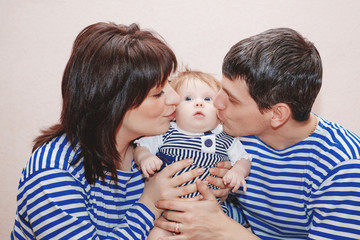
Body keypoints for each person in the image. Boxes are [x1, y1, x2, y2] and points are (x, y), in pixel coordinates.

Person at [10, 22, 229, 240]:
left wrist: (216, 201)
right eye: (157, 93)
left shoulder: (161, 148)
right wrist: (149, 203)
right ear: (113, 103)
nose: (175, 98)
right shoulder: (53, 172)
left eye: (169, 83)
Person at [154, 28, 360, 240]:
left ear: (277, 114)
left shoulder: (343, 168)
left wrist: (224, 230)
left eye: (232, 99)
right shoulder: (236, 136)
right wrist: (221, 197)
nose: (216, 103)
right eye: (221, 89)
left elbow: (223, 228)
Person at [134, 70, 251, 239]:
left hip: (212, 215)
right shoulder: (166, 133)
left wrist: (238, 172)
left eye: (207, 99)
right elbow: (141, 147)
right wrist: (145, 158)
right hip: (169, 213)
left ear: (219, 111)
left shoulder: (225, 137)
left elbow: (244, 158)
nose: (198, 103)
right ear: (173, 111)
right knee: (156, 235)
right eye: (188, 99)